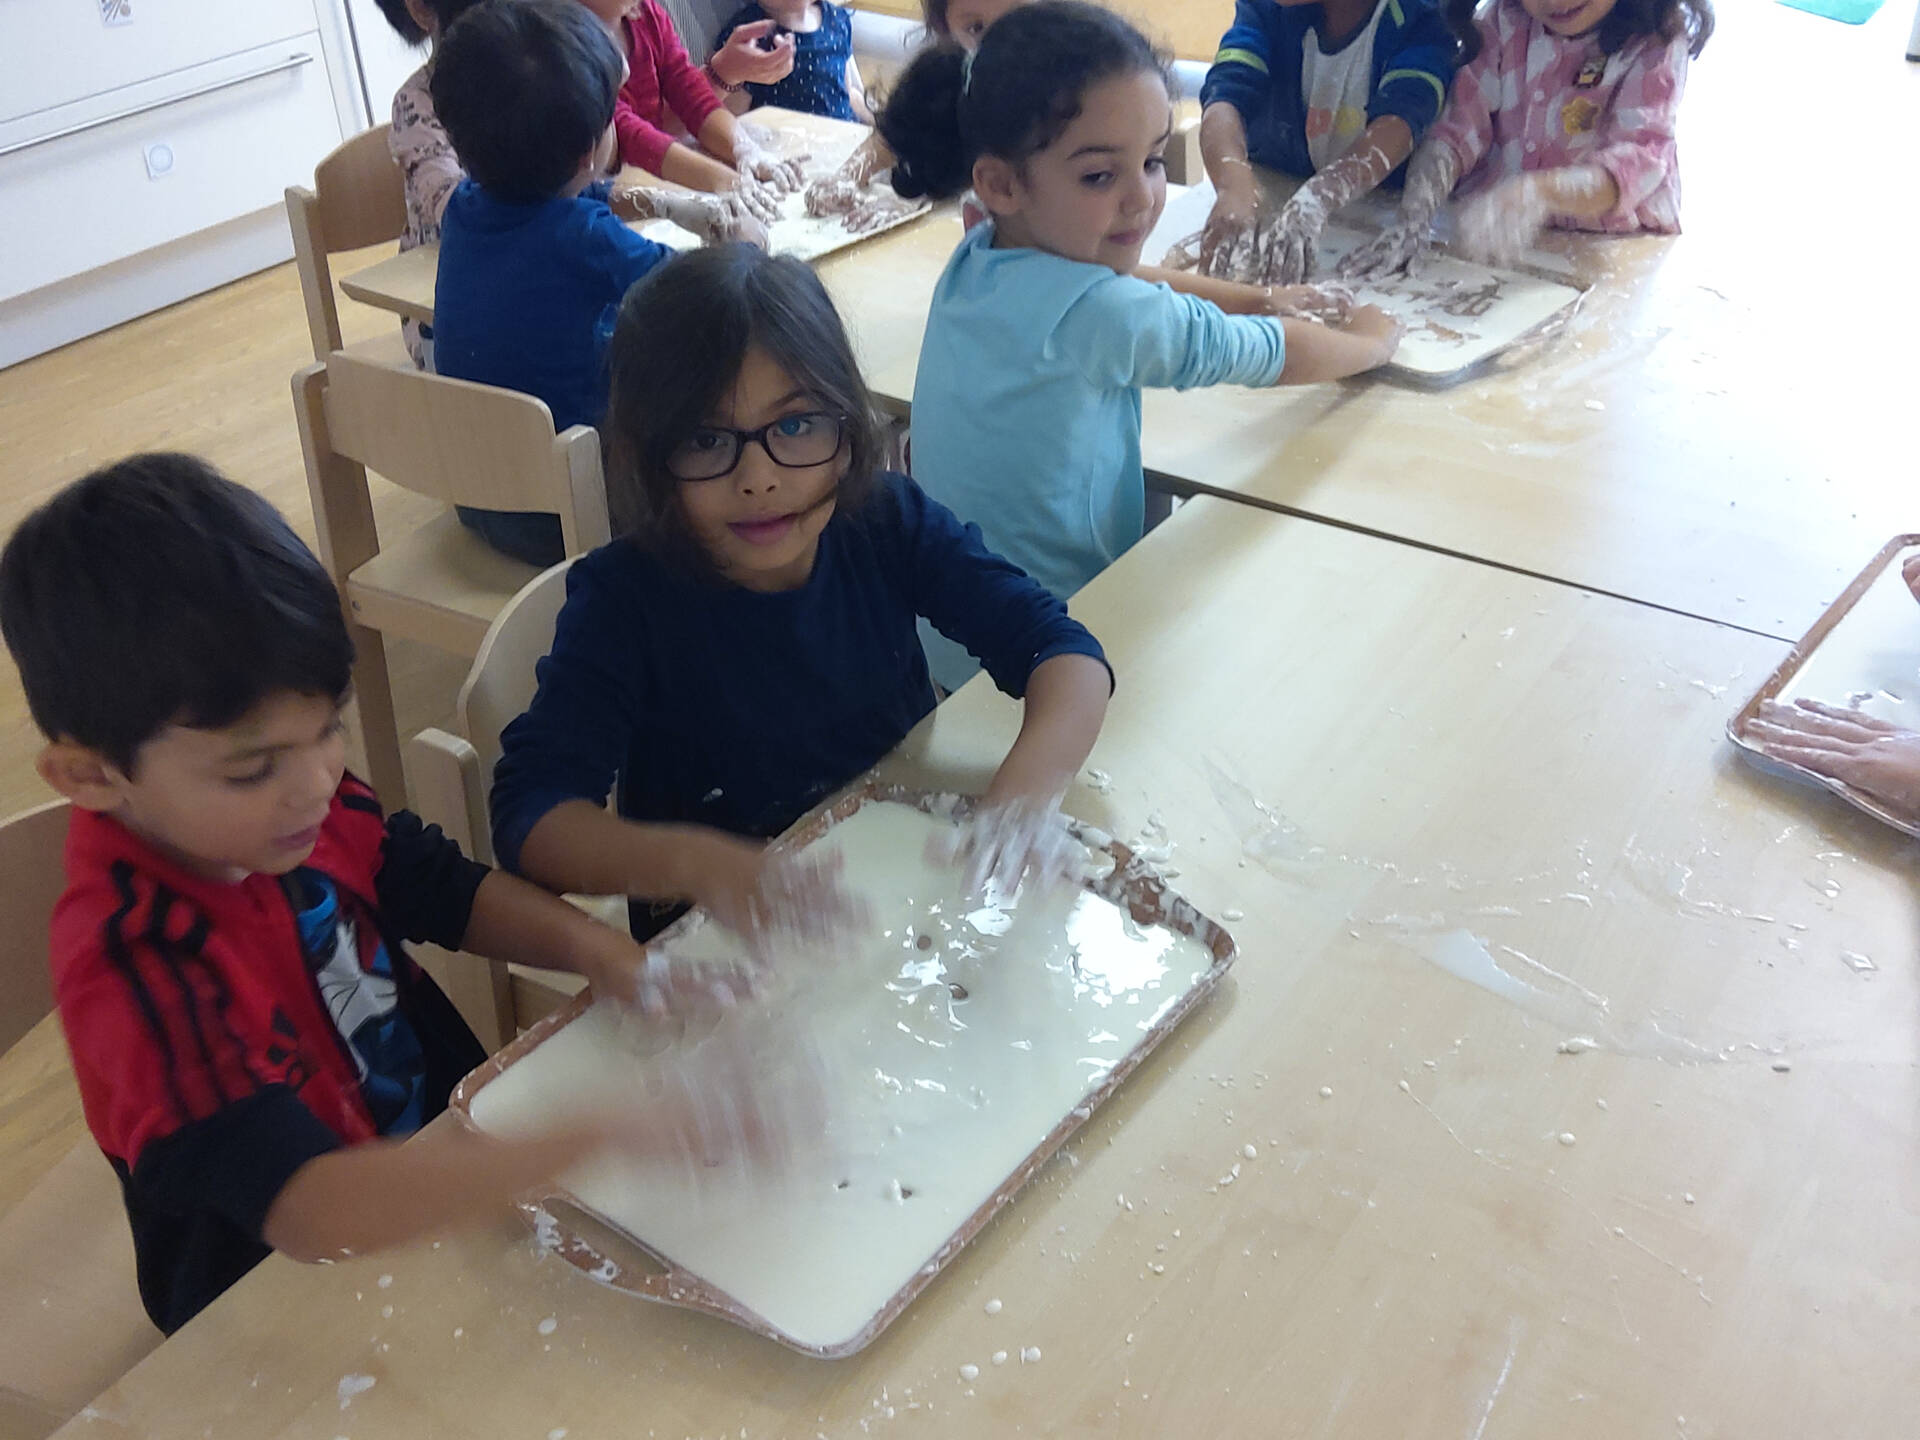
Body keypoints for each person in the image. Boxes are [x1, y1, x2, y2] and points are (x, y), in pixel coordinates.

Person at [0, 455, 764, 1334]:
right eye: (254, 767)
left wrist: (607, 956)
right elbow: (311, 1210)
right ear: (91, 777)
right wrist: (601, 1134)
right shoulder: (139, 967)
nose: (320, 779)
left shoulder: (280, 810)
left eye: (328, 726)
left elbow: (439, 888)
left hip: (436, 1173)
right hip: (276, 1310)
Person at [489, 244, 1115, 939]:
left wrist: (1019, 805)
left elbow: (1064, 655)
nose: (758, 477)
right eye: (705, 439)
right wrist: (700, 864)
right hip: (726, 943)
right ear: (647, 457)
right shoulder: (623, 604)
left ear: (847, 430)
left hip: (897, 887)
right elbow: (530, 819)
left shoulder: (885, 523)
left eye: (794, 425)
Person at [877, 1, 1400, 689]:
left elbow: (1116, 277)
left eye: (1153, 160)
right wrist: (1372, 343)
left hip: (947, 648)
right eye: (1100, 175)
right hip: (1045, 666)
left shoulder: (979, 254)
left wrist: (1260, 294)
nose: (1142, 199)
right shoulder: (1104, 317)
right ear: (1000, 183)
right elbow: (1273, 355)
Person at [1343, 0, 1713, 275]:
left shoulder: (1655, 41)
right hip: (1500, 239)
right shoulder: (1503, 22)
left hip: (1612, 247)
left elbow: (1641, 157)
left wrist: (1541, 193)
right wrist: (1415, 217)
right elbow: (1455, 131)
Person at [1195, 0, 1457, 283]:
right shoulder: (1266, 8)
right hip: (1277, 195)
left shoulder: (1422, 15)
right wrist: (1234, 183)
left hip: (1377, 221)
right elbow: (1225, 95)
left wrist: (1317, 199)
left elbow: (1402, 119)